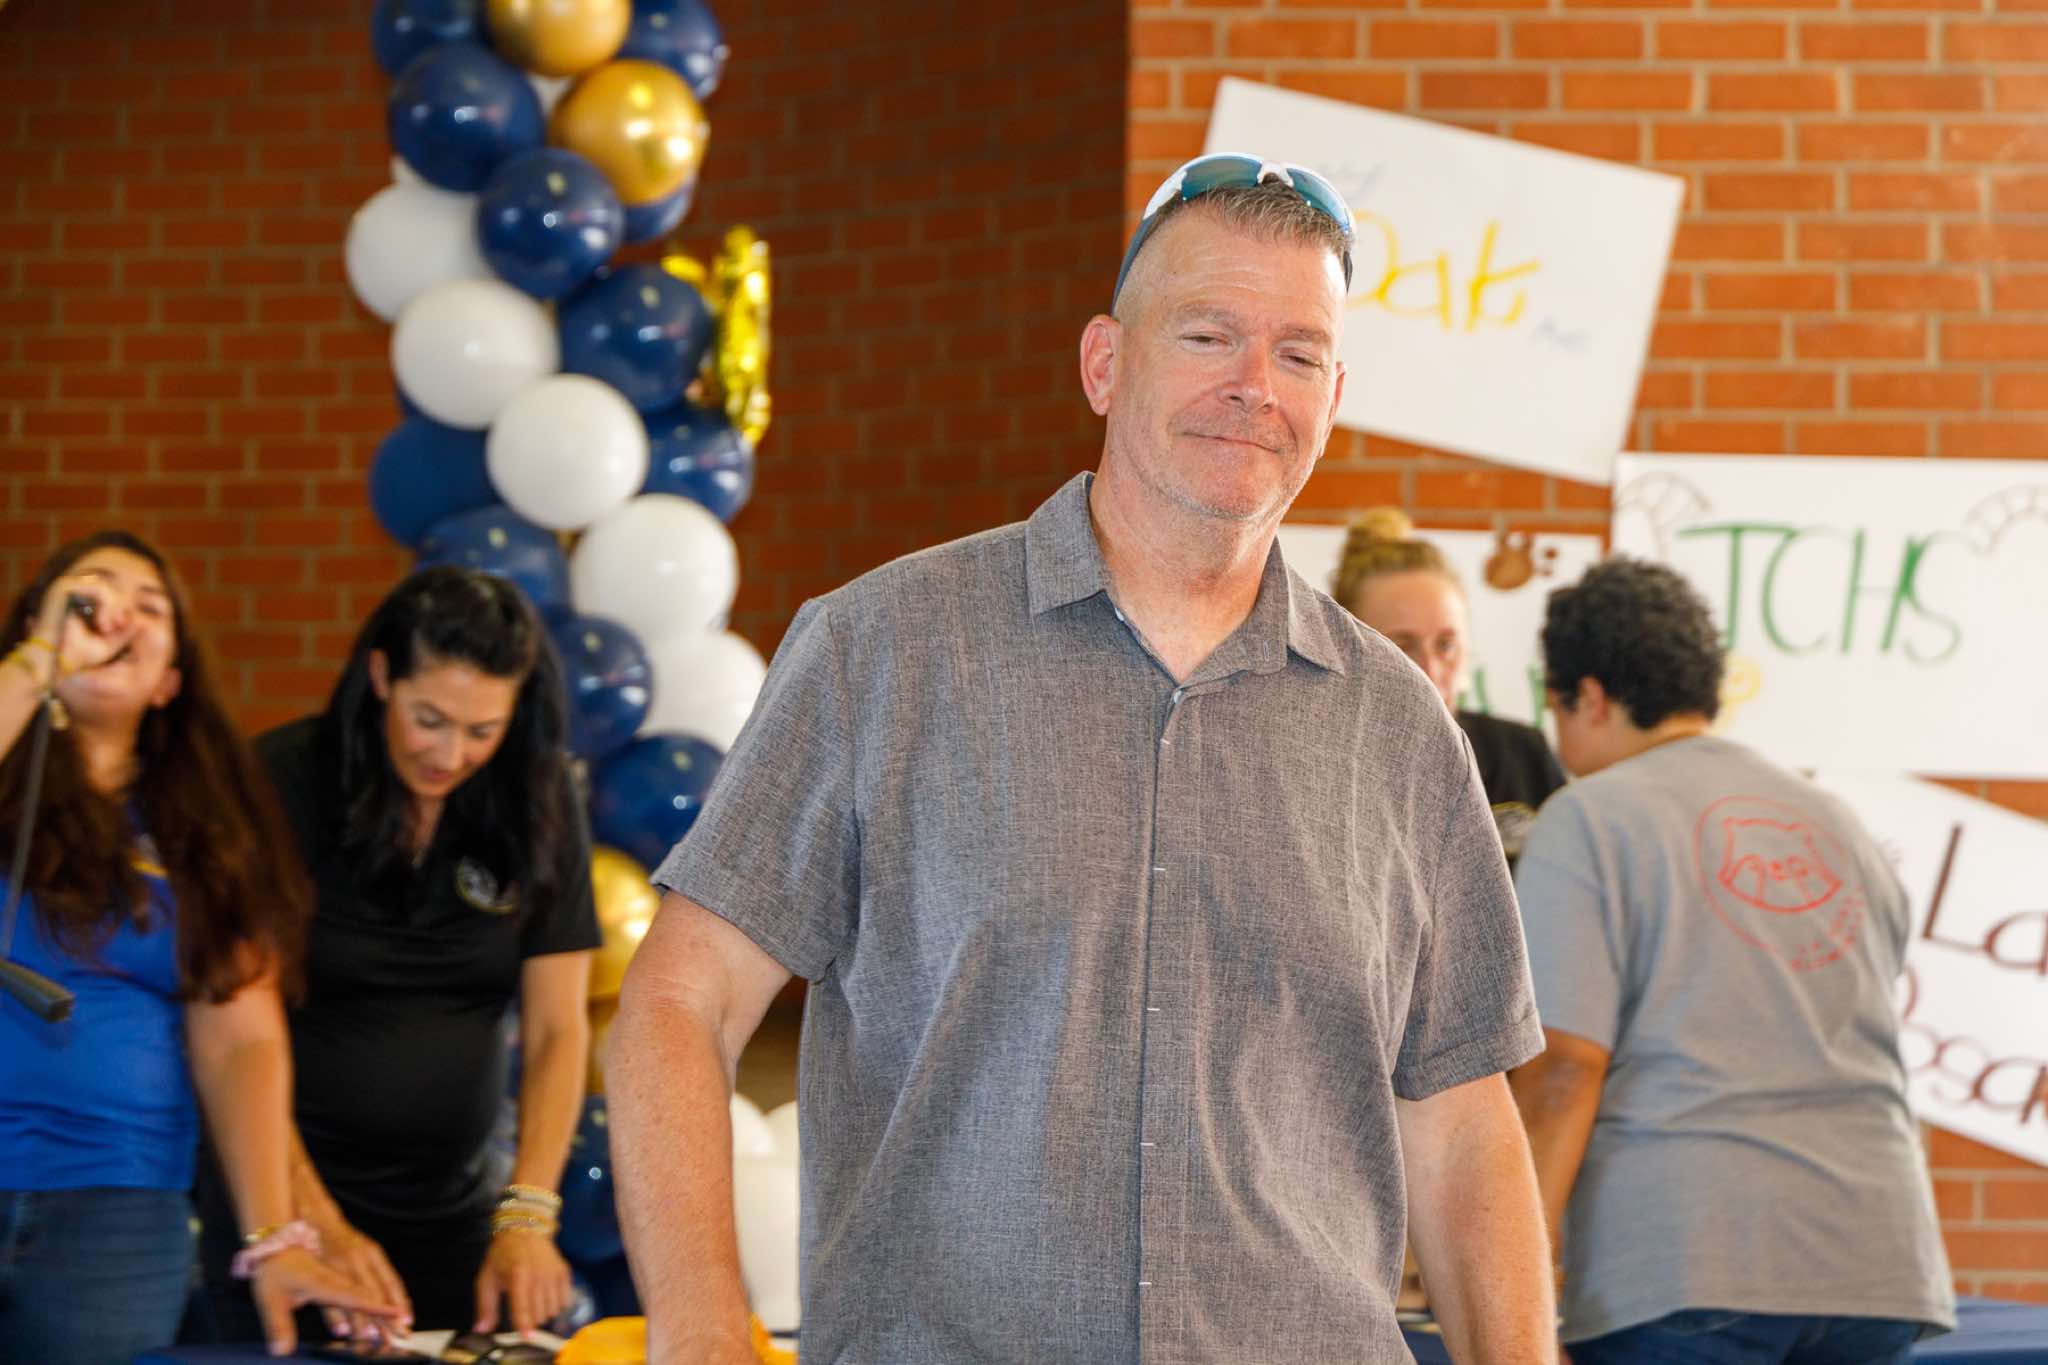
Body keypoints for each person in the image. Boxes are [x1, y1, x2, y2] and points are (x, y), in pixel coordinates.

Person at [609, 153, 1556, 1363]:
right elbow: (677, 1003)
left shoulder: (1400, 731)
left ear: (1332, 396)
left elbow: (1461, 1123)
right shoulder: (880, 652)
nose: (1253, 386)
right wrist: (697, 1330)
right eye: (1208, 336)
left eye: (1298, 353)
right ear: (1104, 364)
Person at [1508, 558, 1955, 1363]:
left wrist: (1513, 1291)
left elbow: (1566, 1067)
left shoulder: (1589, 817)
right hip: (1881, 1261)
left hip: (1690, 1263)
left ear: (1591, 697)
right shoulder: (1839, 823)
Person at [0, 532, 397, 1365]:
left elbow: (241, 1039)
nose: (115, 618)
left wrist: (273, 1235)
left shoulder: (206, 831)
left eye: (148, 608)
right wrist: (39, 661)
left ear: (169, 680)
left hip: (113, 1208)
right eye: (89, 595)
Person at [192, 566, 600, 1340]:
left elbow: (556, 1028)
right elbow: (236, 1031)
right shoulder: (279, 779)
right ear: (381, 676)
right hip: (282, 1203)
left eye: (482, 730)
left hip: (454, 1211)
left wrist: (527, 1214)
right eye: (429, 719)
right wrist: (311, 1220)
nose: (450, 753)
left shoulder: (537, 796)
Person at [1332, 508, 1566, 861]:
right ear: (1345, 650)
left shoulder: (1520, 755)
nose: (1429, 669)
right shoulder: (1316, 767)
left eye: (1445, 645)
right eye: (1402, 647)